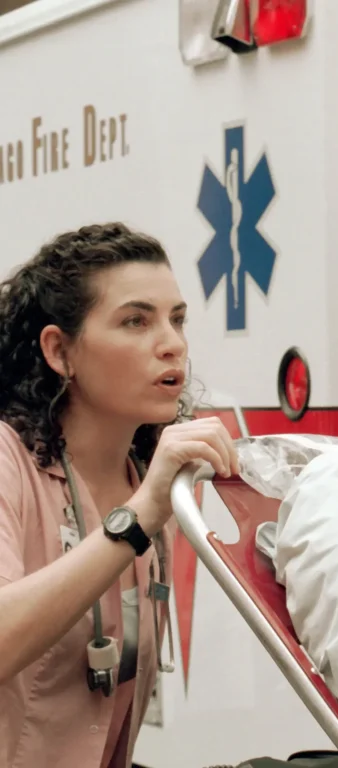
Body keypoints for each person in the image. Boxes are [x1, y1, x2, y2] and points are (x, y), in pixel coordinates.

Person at [0, 223, 239, 768]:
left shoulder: (150, 476)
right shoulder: (9, 458)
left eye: (177, 319)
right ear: (59, 351)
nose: (173, 343)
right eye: (136, 321)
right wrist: (135, 519)